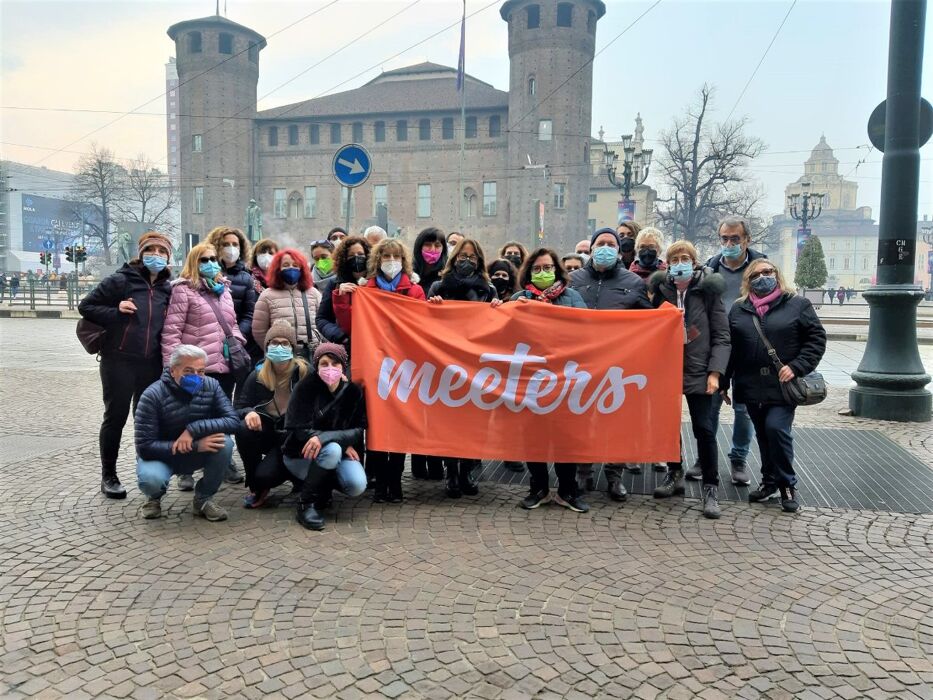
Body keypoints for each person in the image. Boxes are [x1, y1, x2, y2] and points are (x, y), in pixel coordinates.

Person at [725, 259, 826, 513]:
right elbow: (731, 349)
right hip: (750, 385)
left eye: (767, 272)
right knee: (763, 434)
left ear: (777, 275)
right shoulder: (739, 309)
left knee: (776, 430)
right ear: (748, 281)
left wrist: (797, 366)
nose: (762, 277)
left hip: (782, 385)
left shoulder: (797, 304)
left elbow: (816, 339)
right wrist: (723, 381)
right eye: (756, 274)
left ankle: (787, 485)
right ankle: (769, 481)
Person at [79, 231, 174, 499]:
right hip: (118, 361)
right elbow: (86, 306)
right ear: (141, 253)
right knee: (116, 417)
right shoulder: (121, 280)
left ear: (169, 256)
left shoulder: (169, 287)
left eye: (161, 251)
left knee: (145, 419)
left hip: (151, 363)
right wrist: (116, 311)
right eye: (150, 250)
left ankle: (147, 472)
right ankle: (108, 475)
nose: (156, 255)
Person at [498, 248, 589, 513]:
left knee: (566, 437)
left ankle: (567, 490)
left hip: (565, 379)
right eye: (537, 269)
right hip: (530, 379)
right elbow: (503, 335)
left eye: (548, 268)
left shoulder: (573, 297)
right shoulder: (519, 299)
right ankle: (538, 488)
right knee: (532, 436)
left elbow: (588, 331)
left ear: (557, 270)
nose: (543, 273)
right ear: (528, 272)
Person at [648, 241, 730, 519]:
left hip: (700, 369)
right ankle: (674, 471)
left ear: (694, 262)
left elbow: (721, 336)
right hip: (667, 370)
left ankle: (710, 486)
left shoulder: (707, 291)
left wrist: (715, 372)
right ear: (668, 263)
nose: (680, 262)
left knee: (704, 429)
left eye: (686, 257)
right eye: (674, 258)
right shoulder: (661, 291)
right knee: (668, 428)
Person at [569, 227, 651, 501]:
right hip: (581, 362)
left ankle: (614, 476)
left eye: (611, 244)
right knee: (582, 420)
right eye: (600, 243)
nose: (605, 247)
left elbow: (648, 322)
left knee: (617, 421)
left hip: (618, 364)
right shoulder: (573, 279)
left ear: (618, 250)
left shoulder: (634, 281)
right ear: (591, 249)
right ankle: (583, 471)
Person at [134, 344, 240, 521]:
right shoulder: (151, 395)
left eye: (201, 371)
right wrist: (195, 445)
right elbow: (145, 446)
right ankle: (154, 497)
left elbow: (232, 420)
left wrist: (192, 430)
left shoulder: (211, 385)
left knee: (225, 442)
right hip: (161, 455)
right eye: (189, 371)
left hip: (194, 452)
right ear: (173, 370)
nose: (197, 377)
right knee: (151, 480)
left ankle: (203, 499)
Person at [699, 216, 768, 485]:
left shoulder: (761, 268)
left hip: (748, 347)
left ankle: (738, 459)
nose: (729, 244)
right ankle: (705, 458)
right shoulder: (710, 268)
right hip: (717, 346)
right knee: (710, 405)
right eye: (724, 239)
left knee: (744, 408)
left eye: (735, 239)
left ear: (747, 240)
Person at [427, 238, 497, 498]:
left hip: (477, 364)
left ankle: (467, 469)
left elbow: (496, 326)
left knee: (474, 420)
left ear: (479, 261)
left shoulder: (488, 290)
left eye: (472, 257)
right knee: (448, 421)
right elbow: (422, 324)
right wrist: (431, 308)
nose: (466, 261)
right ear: (454, 258)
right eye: (462, 256)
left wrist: (497, 310)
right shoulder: (438, 286)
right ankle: (452, 471)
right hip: (445, 363)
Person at [362, 238, 426, 502]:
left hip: (404, 367)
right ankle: (379, 483)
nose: (391, 261)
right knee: (376, 426)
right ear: (378, 261)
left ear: (403, 261)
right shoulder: (366, 289)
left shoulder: (415, 290)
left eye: (395, 257)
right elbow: (351, 322)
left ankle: (395, 480)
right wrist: (342, 296)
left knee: (399, 425)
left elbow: (424, 325)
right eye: (385, 256)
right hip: (376, 366)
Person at [285, 343, 367, 531]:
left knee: (356, 485)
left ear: (343, 366)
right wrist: (336, 441)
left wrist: (326, 438)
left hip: (336, 453)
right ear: (316, 365)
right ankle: (306, 504)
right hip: (300, 455)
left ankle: (323, 487)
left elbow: (359, 429)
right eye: (324, 363)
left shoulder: (353, 392)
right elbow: (298, 429)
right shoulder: (304, 388)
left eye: (335, 363)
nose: (330, 368)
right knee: (333, 449)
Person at [235, 320, 310, 508]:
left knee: (278, 470)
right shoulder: (257, 376)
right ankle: (256, 485)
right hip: (269, 435)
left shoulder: (305, 372)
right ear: (267, 346)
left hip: (294, 437)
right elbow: (239, 406)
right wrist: (249, 412)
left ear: (292, 348)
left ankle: (297, 475)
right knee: (243, 429)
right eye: (274, 343)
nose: (279, 347)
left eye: (285, 343)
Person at [162, 242, 246, 401]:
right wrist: (170, 369)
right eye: (204, 260)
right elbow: (172, 332)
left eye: (213, 259)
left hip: (225, 368)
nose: (210, 263)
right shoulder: (183, 289)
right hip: (197, 370)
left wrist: (237, 343)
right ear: (194, 262)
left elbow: (232, 324)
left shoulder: (224, 290)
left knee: (220, 418)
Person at [252, 248, 322, 361]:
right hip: (281, 357)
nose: (291, 268)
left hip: (311, 355)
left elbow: (323, 322)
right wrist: (273, 350)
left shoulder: (313, 293)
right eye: (286, 265)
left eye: (295, 265)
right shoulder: (267, 296)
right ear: (278, 269)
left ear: (302, 268)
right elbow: (259, 331)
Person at [316, 236, 372, 347]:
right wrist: (341, 336)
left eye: (360, 254)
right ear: (343, 259)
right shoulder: (335, 284)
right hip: (346, 347)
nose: (356, 258)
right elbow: (322, 319)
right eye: (351, 256)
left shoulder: (377, 282)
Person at [411, 226, 447, 298]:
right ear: (419, 247)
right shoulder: (409, 272)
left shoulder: (447, 274)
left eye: (437, 245)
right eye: (427, 245)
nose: (432, 249)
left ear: (443, 249)